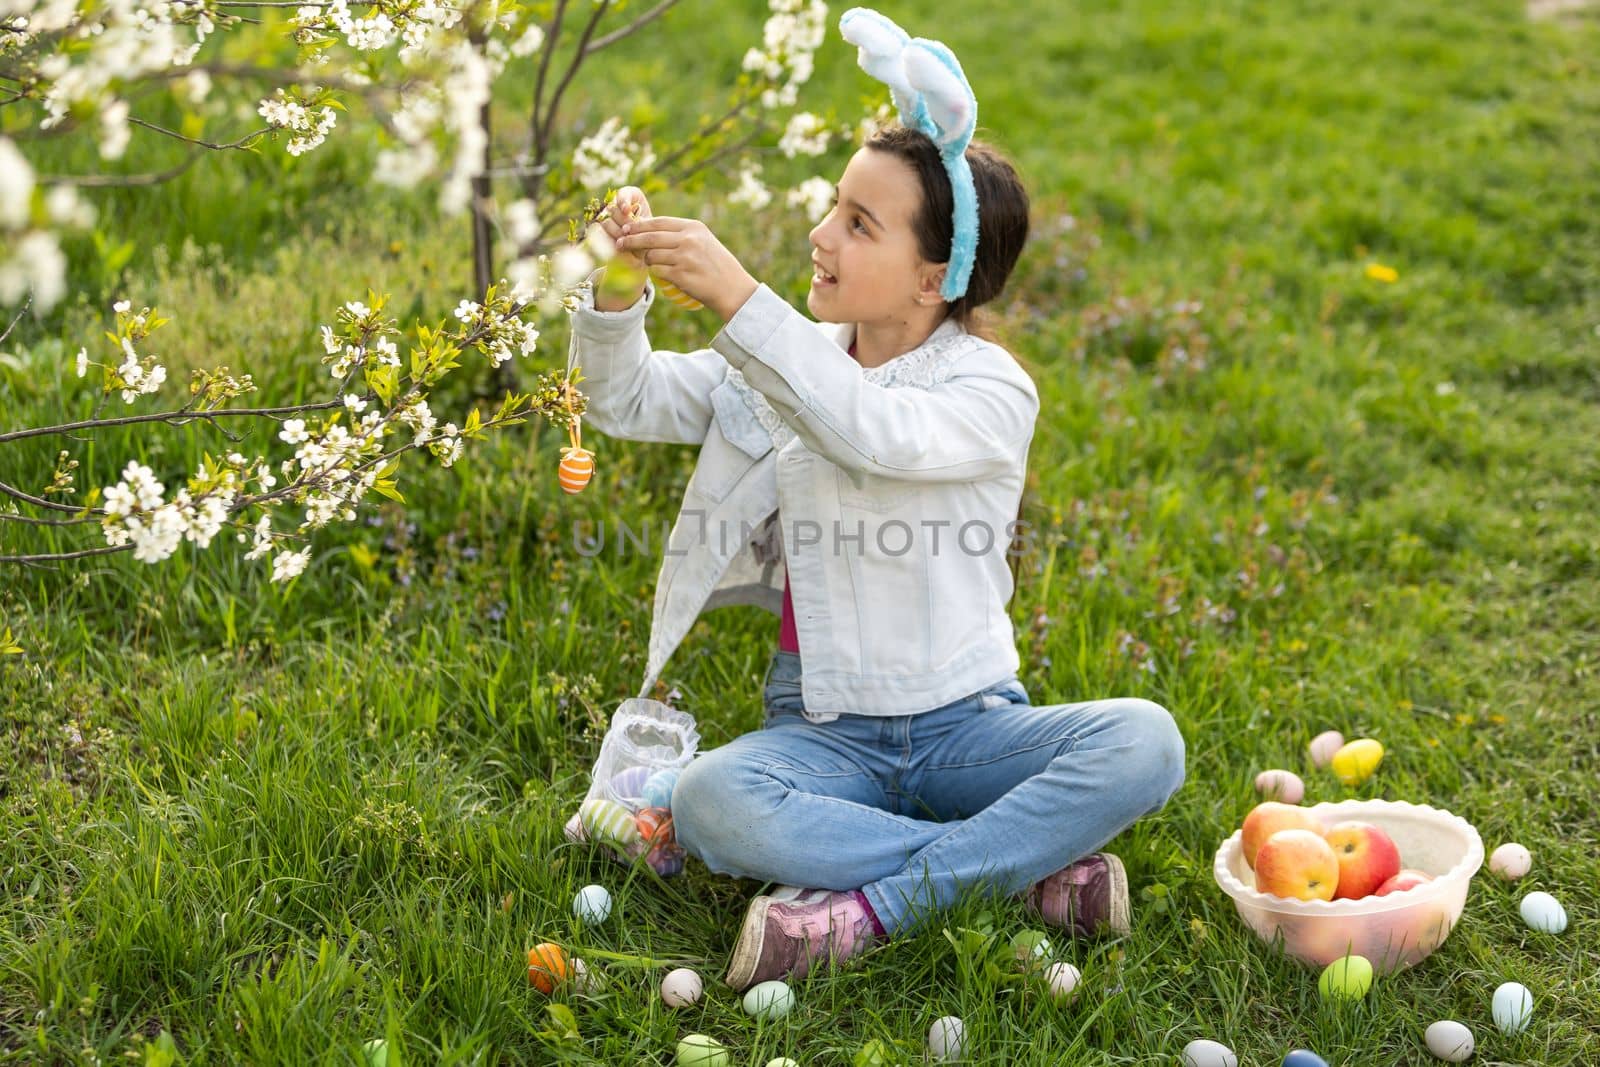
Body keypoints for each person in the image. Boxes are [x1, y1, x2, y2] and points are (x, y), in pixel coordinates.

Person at [565, 7, 1185, 993]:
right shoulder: (788, 362)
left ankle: (877, 901)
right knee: (717, 799)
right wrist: (612, 289)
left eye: (859, 224)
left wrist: (738, 302)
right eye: (832, 208)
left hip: (964, 723)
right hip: (820, 730)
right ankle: (1015, 869)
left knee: (1146, 739)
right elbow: (627, 398)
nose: (819, 236)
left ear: (933, 276)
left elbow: (867, 431)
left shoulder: (987, 389)